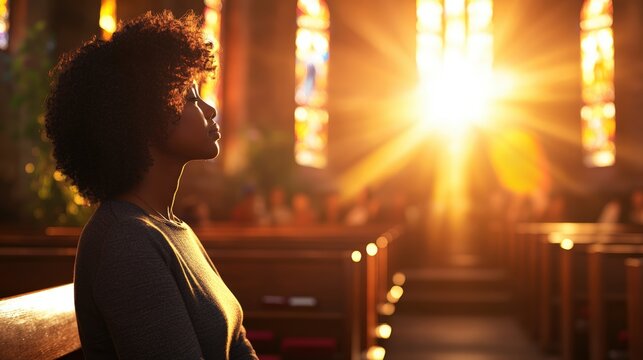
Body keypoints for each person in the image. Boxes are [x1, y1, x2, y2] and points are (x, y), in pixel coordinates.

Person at [44, 11, 257, 359]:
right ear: (148, 114)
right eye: (190, 97)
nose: (210, 110)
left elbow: (237, 344)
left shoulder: (171, 227)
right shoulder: (125, 241)